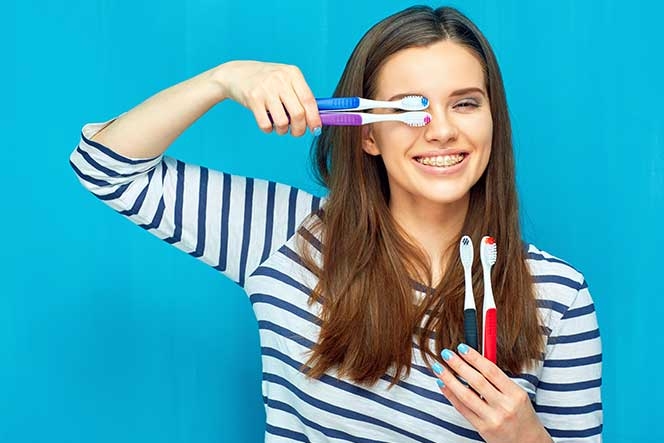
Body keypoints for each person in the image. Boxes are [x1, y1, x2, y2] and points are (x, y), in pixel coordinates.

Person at [69, 5, 602, 442]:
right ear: (367, 134)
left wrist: (526, 439)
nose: (441, 130)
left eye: (465, 103)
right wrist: (223, 79)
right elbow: (105, 166)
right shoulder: (285, 237)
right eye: (411, 109)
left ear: (492, 121)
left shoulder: (557, 295)